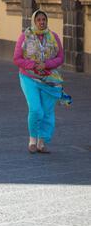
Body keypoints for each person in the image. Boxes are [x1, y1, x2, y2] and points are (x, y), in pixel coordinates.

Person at [14, 10, 68, 154]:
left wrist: (47, 64)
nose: (41, 22)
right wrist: (33, 65)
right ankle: (32, 140)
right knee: (36, 109)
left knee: (47, 111)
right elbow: (17, 59)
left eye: (44, 19)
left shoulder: (53, 37)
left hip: (49, 79)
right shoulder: (25, 37)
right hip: (29, 77)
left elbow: (61, 57)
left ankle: (41, 142)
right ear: (34, 21)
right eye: (38, 19)